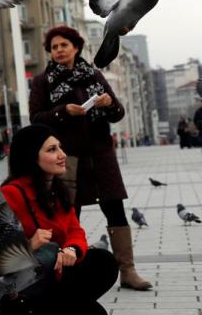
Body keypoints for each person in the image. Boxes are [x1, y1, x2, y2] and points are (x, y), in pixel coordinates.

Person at [28, 25, 151, 291]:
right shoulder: (43, 81)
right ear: (50, 52)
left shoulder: (93, 75)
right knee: (68, 215)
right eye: (54, 47)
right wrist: (63, 111)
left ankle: (127, 271)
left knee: (115, 210)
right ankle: (62, 275)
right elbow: (35, 118)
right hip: (66, 158)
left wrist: (109, 104)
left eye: (64, 45)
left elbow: (117, 113)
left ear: (76, 48)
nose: (59, 50)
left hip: (100, 156)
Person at [0, 125, 117, 315]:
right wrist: (27, 244)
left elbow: (74, 230)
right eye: (52, 150)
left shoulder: (58, 191)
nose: (62, 154)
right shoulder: (12, 193)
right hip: (17, 283)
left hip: (49, 274)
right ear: (32, 157)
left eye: (60, 147)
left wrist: (71, 249)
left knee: (103, 262)